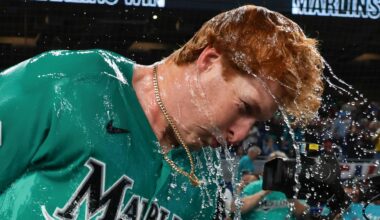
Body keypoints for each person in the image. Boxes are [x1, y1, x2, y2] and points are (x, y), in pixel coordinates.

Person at [0, 5, 324, 220]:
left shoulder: (204, 181)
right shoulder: (62, 85)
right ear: (209, 61)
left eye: (256, 122)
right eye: (244, 107)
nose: (238, 135)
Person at [238, 151, 307, 219]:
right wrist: (265, 190)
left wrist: (289, 194)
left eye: (281, 167)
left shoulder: (294, 187)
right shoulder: (254, 186)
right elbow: (238, 209)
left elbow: (303, 213)